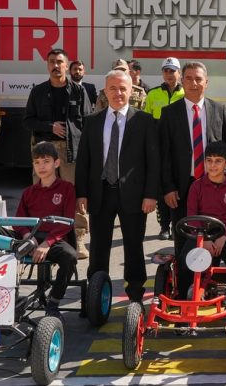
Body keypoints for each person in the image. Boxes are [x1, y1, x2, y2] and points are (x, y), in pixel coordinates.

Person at [74, 70, 159, 303]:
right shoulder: (92, 122)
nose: (118, 93)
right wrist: (81, 192)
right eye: (113, 88)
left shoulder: (143, 121)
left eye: (123, 88)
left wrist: (151, 195)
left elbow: (153, 161)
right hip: (100, 193)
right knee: (99, 247)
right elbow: (84, 161)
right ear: (105, 91)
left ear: (131, 90)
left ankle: (135, 294)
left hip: (133, 195)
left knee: (133, 246)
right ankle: (96, 295)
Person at [0, 142, 77, 316]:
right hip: (29, 238)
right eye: (37, 162)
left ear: (56, 163)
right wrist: (28, 236)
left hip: (52, 239)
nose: (41, 166)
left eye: (46, 161)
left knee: (70, 257)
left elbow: (67, 222)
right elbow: (18, 221)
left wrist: (46, 243)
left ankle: (53, 302)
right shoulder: (29, 192)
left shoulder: (67, 189)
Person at [23, 48, 91, 258]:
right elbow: (28, 121)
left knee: (75, 195)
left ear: (66, 65)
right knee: (43, 194)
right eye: (51, 61)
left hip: (70, 151)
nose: (55, 65)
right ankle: (42, 236)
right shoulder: (39, 91)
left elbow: (88, 121)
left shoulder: (79, 91)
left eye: (59, 62)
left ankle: (79, 239)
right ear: (47, 65)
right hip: (45, 150)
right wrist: (49, 126)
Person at [160, 62, 226, 247]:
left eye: (198, 79)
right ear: (182, 81)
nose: (194, 83)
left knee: (213, 238)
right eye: (189, 78)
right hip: (181, 189)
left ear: (206, 82)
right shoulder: (169, 113)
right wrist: (168, 187)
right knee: (184, 243)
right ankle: (186, 276)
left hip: (214, 187)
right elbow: (164, 154)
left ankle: (209, 276)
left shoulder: (219, 110)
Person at [177, 141, 226, 302]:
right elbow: (192, 217)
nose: (213, 165)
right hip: (200, 234)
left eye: (218, 161)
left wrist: (224, 237)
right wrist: (204, 240)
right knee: (185, 262)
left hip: (225, 235)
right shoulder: (196, 186)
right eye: (209, 160)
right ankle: (183, 301)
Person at [145, 57, 186, 240]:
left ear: (179, 72)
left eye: (173, 70)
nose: (169, 74)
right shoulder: (152, 94)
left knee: (178, 185)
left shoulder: (186, 92)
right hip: (159, 146)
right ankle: (164, 226)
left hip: (180, 145)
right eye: (166, 71)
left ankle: (181, 223)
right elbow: (146, 120)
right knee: (163, 188)